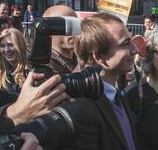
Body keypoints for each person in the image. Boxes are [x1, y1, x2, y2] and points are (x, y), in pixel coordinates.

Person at [56, 12, 138, 150]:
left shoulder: (116, 93)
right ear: (99, 56)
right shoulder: (80, 107)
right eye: (125, 44)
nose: (135, 49)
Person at [42, 5, 78, 75]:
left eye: (75, 24)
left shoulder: (79, 56)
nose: (72, 31)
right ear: (47, 30)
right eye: (65, 26)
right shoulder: (44, 63)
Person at [0, 29, 28, 95]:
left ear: (21, 45)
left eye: (11, 45)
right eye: (2, 46)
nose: (6, 50)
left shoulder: (31, 70)